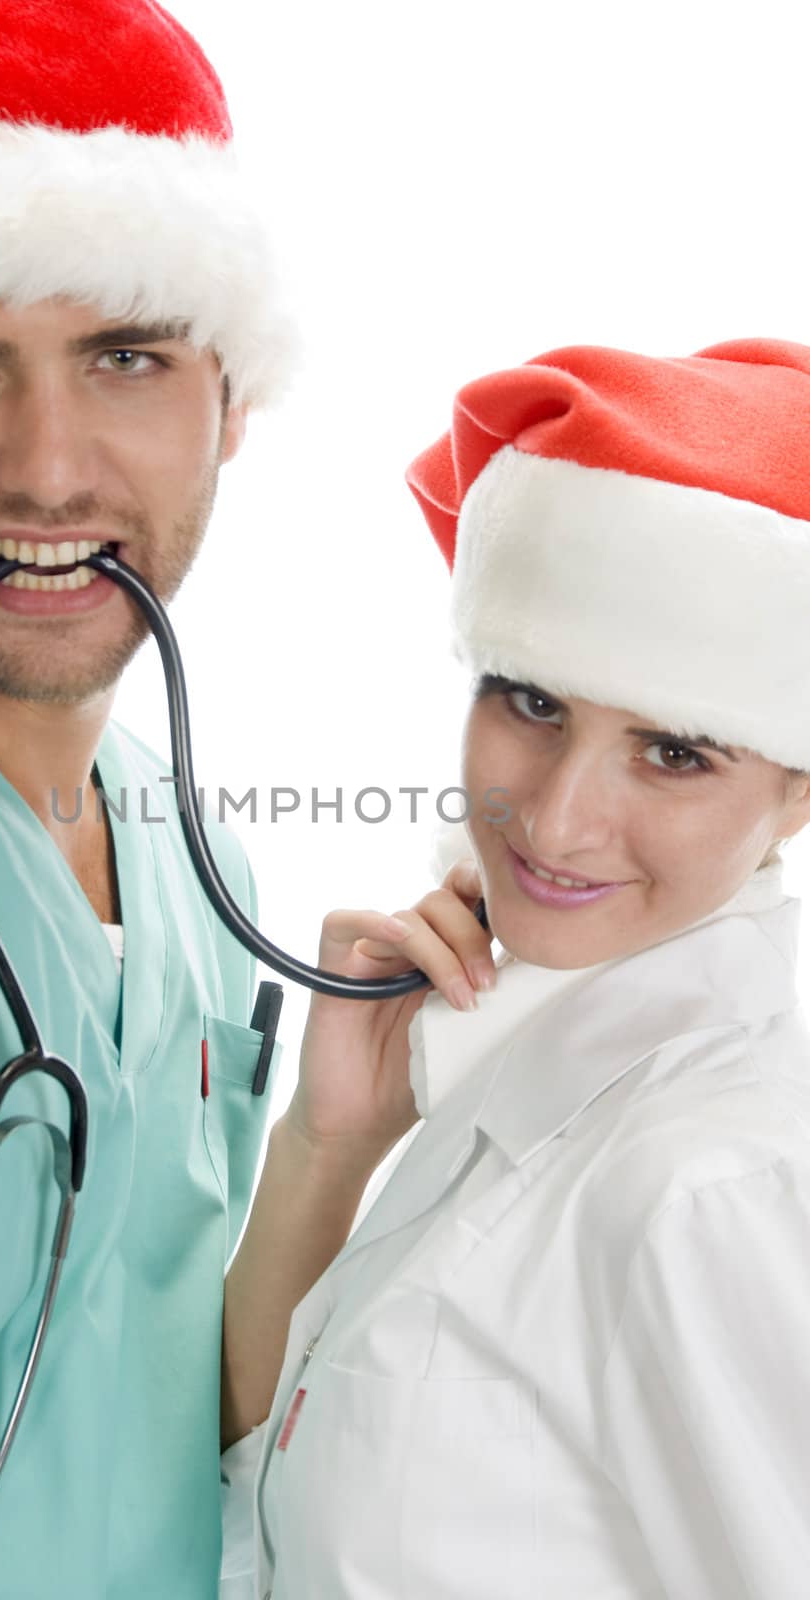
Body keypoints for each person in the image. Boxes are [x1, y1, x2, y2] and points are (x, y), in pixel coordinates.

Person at [0, 2, 468, 1595]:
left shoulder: (182, 842)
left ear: (230, 404)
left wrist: (331, 1139)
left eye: (126, 357)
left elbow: (140, 1416)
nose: (53, 467)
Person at [221, 339, 810, 1599]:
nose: (551, 821)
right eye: (529, 700)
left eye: (673, 753)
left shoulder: (707, 1184)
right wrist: (328, 1145)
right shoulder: (529, 1079)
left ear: (796, 792)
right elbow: (263, 1490)